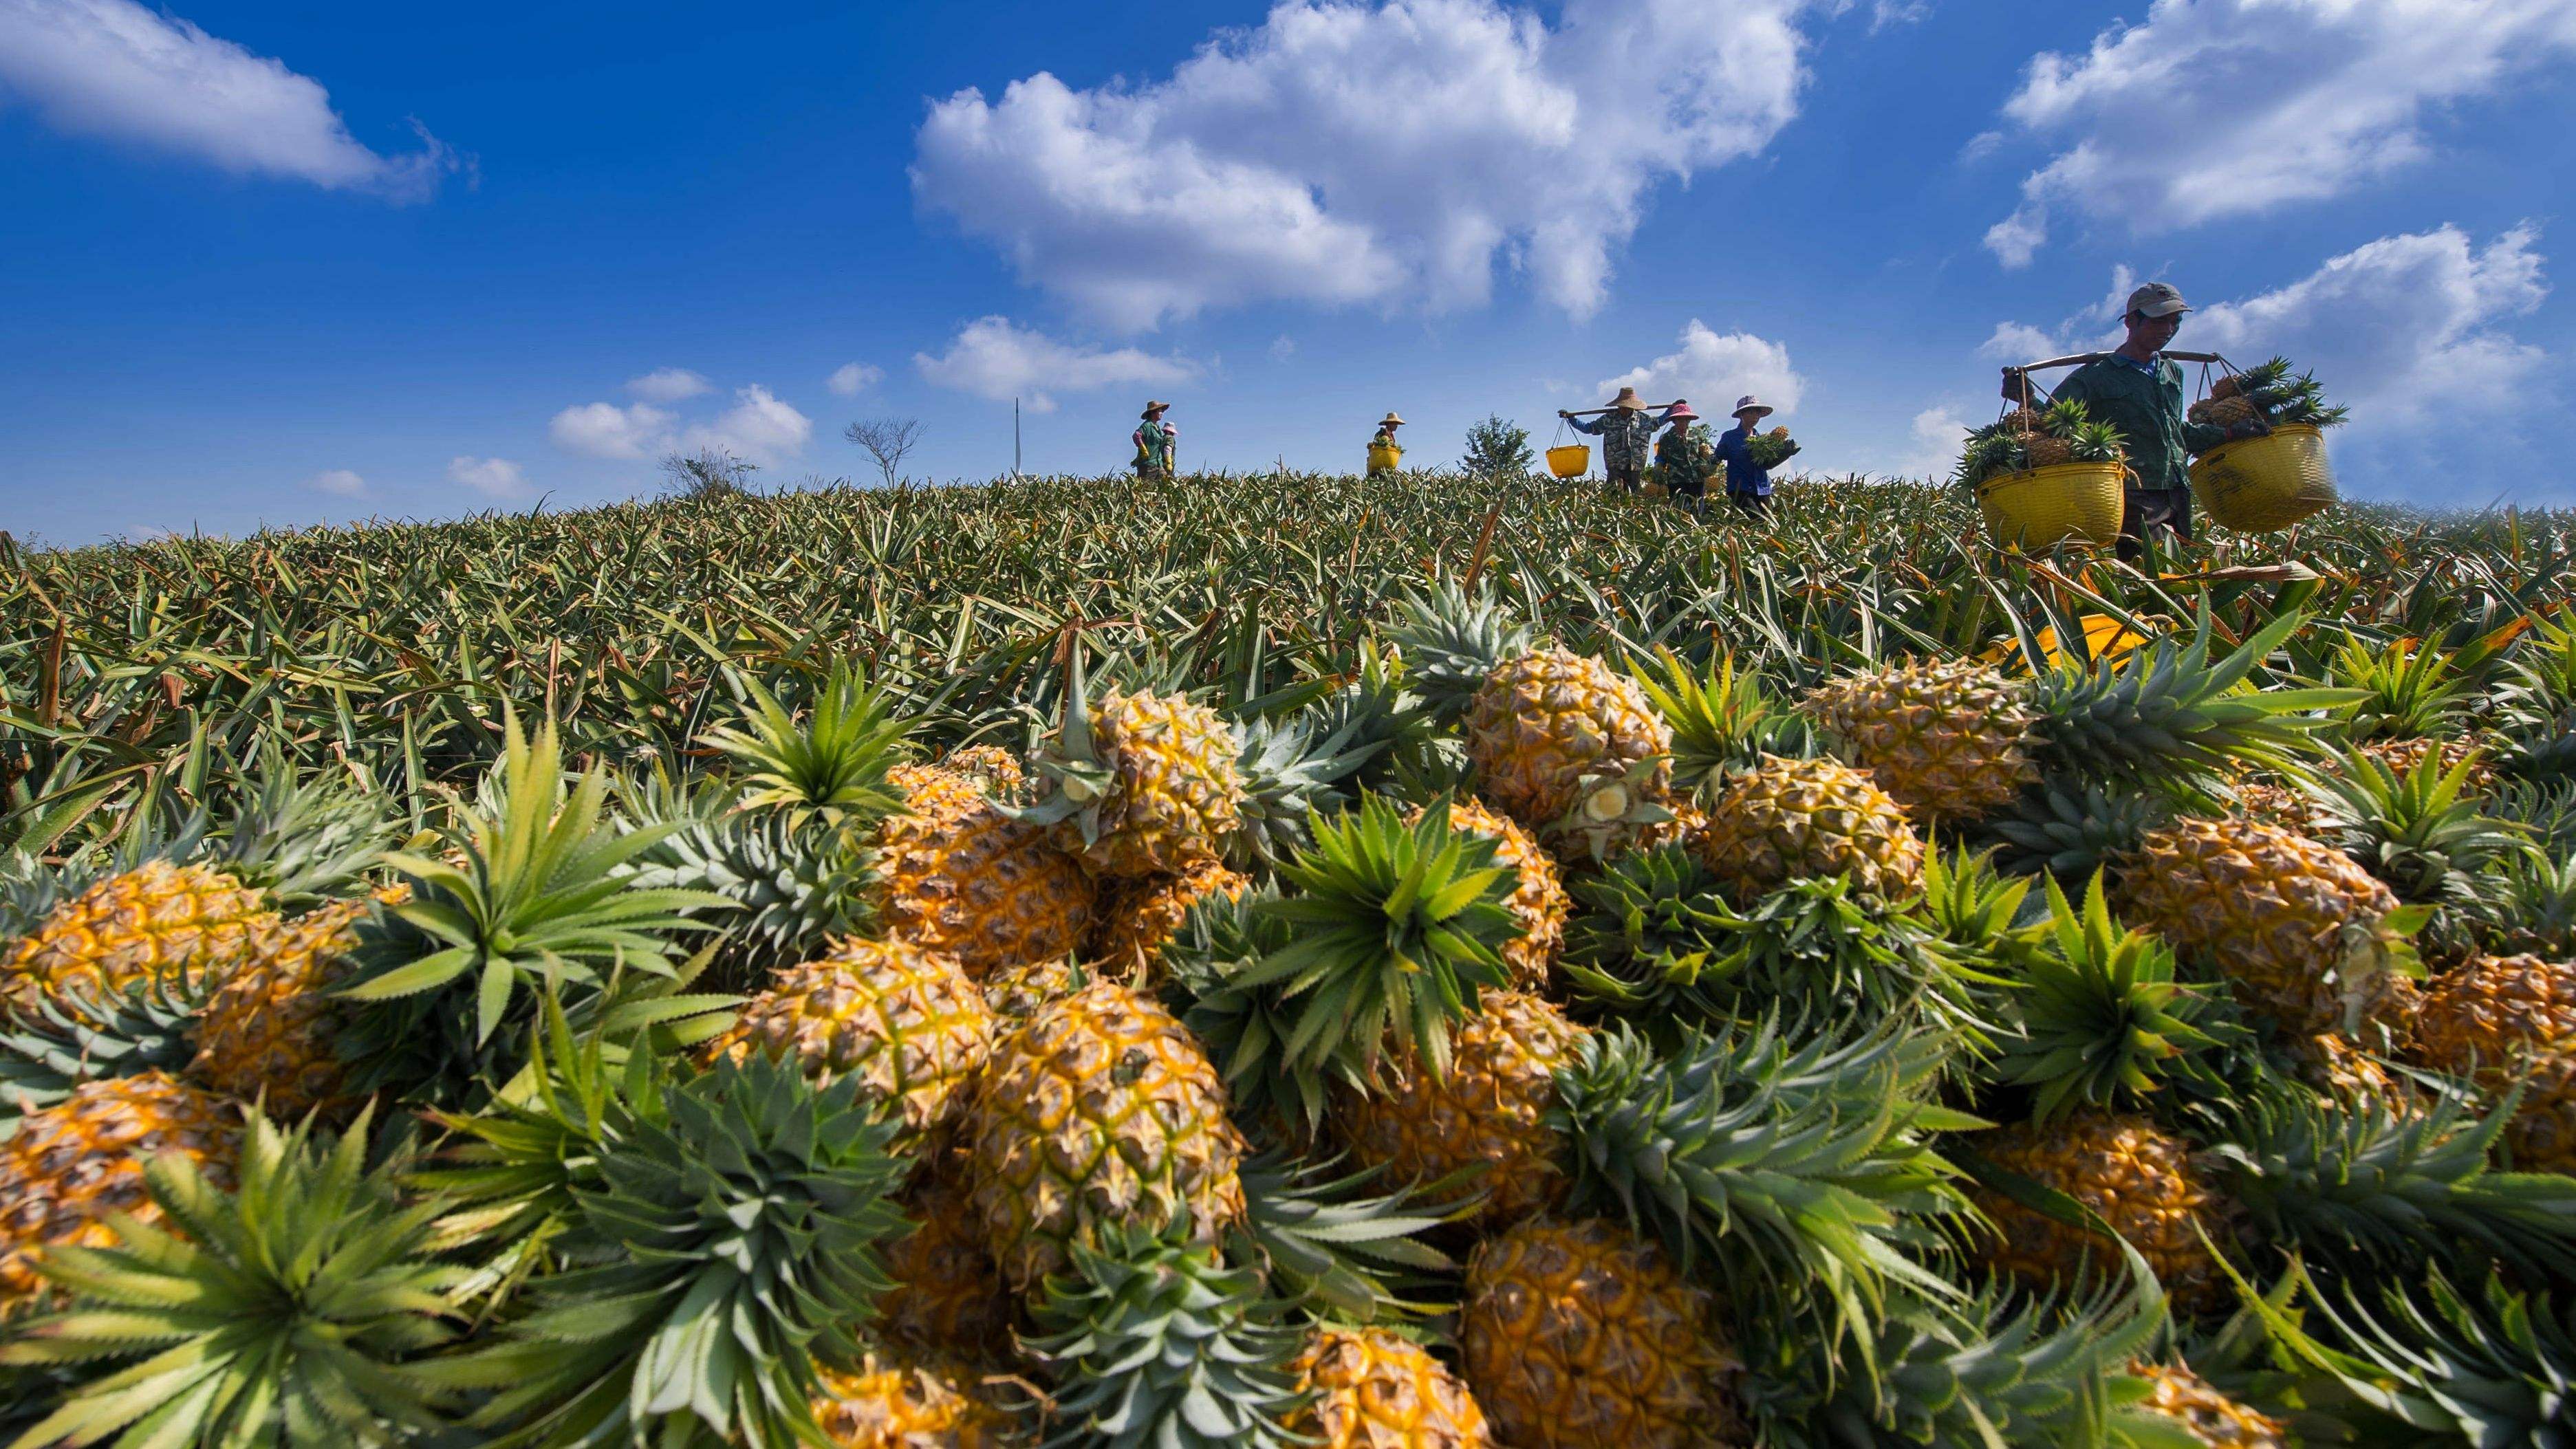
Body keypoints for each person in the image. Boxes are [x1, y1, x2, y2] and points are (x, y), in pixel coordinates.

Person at [2001, 282, 2268, 562]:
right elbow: (2051, 421)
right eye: (2158, 321)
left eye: (2175, 321)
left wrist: (2229, 433)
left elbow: (2177, 432)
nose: (2168, 330)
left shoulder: (2171, 371)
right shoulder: (2094, 377)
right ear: (2131, 322)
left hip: (2177, 489)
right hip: (2134, 492)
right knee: (2147, 572)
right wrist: (2026, 398)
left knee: (2181, 573)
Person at [1559, 386, 1656, 491]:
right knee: (1612, 492)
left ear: (1633, 407)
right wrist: (1572, 419)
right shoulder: (1608, 419)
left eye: (1627, 407)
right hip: (1614, 464)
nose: (1624, 409)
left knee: (1634, 494)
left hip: (1635, 465)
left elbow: (1660, 421)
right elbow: (1588, 428)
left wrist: (1673, 410)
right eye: (1622, 407)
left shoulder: (1644, 420)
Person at [1712, 395, 1777, 517]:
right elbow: (1717, 457)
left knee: (1767, 524)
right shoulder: (1729, 437)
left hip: (1762, 487)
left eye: (1757, 413)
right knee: (1756, 520)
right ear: (1741, 414)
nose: (1755, 417)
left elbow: (1768, 464)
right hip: (1740, 488)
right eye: (1751, 413)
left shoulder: (1762, 439)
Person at [1652, 401, 1713, 513]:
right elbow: (1661, 457)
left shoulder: (1697, 434)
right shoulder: (1666, 438)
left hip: (1696, 478)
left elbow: (1707, 451)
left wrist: (1707, 462)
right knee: (1681, 511)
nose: (1683, 422)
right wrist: (1658, 470)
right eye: (1680, 419)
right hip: (1676, 480)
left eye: (1686, 419)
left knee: (1698, 511)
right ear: (1674, 421)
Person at [1133, 400, 1177, 481]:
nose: (1162, 413)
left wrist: (1168, 463)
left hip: (1158, 464)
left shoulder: (1157, 427)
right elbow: (1136, 436)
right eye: (1160, 411)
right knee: (1147, 488)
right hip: (1148, 465)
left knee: (1167, 483)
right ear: (1153, 413)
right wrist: (1144, 451)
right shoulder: (1147, 426)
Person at [1369, 411, 1405, 475]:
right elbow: (1376, 447)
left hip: (1388, 466)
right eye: (1395, 424)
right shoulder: (1382, 433)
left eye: (1397, 424)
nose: (1397, 426)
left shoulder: (1391, 435)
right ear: (1389, 424)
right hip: (1380, 466)